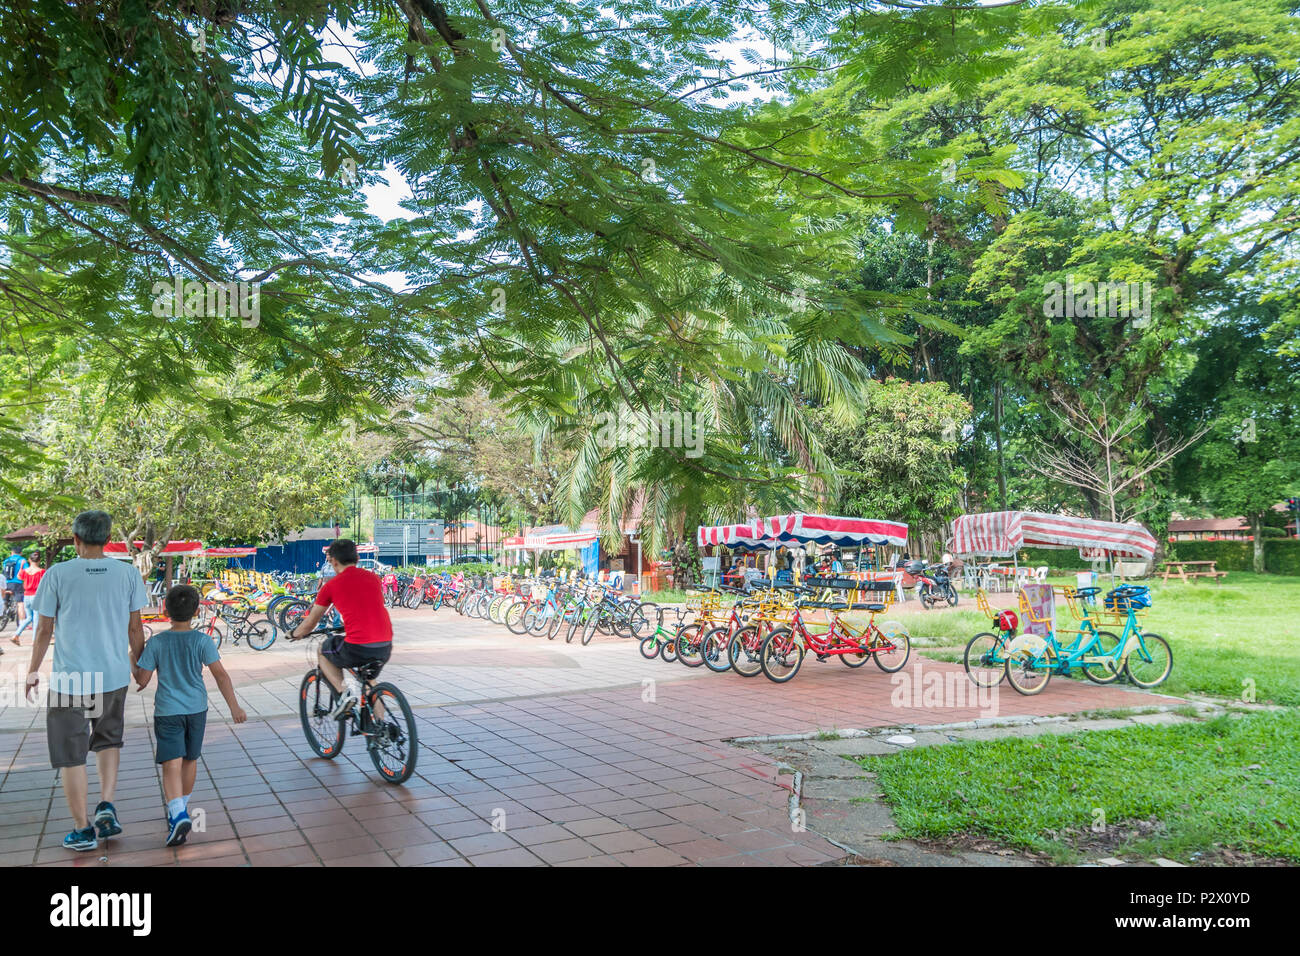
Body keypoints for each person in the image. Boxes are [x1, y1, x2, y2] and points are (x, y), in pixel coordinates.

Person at [25, 510, 148, 852]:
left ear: (75, 540)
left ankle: (82, 830)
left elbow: (44, 630)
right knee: (108, 740)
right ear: (107, 539)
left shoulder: (57, 574)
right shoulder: (127, 574)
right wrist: (140, 666)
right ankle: (106, 803)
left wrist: (32, 671)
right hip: (112, 676)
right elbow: (135, 628)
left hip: (70, 681)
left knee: (71, 754)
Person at [134, 584, 245, 846]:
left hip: (168, 711)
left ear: (165, 610)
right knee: (190, 759)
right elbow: (221, 675)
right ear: (196, 611)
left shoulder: (157, 642)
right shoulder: (203, 640)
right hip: (197, 709)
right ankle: (180, 810)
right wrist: (234, 707)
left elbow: (142, 679)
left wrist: (132, 658)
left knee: (171, 763)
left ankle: (177, 813)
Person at [289, 539, 392, 719]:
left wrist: (295, 633)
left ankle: (344, 693)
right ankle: (381, 728)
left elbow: (311, 622)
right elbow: (366, 608)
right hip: (384, 644)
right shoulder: (373, 578)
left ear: (334, 561)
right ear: (357, 558)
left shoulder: (331, 586)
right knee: (369, 682)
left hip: (358, 647)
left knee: (323, 650)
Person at [12, 553, 45, 646]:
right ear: (39, 561)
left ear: (29, 560)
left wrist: (22, 566)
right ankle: (34, 641)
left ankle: (16, 635)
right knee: (36, 619)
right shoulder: (42, 571)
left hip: (26, 596)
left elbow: (19, 577)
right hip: (36, 596)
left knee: (29, 618)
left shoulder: (25, 571)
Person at [2, 545, 28, 652]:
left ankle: (4, 614)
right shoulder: (22, 560)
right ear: (20, 552)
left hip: (6, 583)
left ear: (12, 552)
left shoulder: (6, 560)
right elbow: (26, 572)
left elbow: (4, 572)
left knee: (4, 601)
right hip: (17, 584)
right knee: (20, 603)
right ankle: (22, 623)